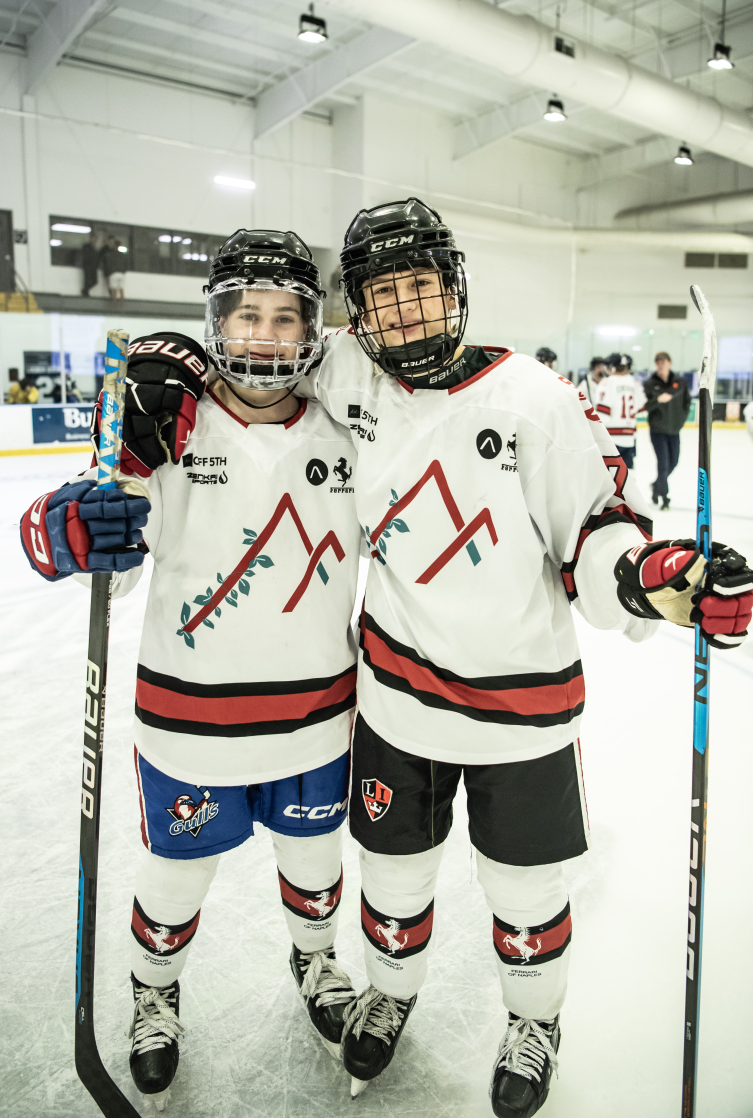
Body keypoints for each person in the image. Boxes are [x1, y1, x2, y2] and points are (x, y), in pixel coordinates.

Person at [294, 198, 753, 1115]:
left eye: (421, 286)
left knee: (526, 889)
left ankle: (533, 1020)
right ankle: (389, 990)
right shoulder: (343, 372)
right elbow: (249, 357)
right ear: (358, 310)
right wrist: (168, 365)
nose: (404, 311)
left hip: (521, 713)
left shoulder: (535, 401)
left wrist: (650, 578)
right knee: (391, 876)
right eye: (382, 294)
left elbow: (596, 532)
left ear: (453, 289)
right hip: (395, 701)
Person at [19, 231, 365, 1107]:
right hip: (190, 723)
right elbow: (112, 559)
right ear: (215, 321)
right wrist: (76, 528)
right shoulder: (164, 420)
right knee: (175, 879)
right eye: (246, 314)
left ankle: (317, 961)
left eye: (286, 317)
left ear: (313, 327)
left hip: (319, 718)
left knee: (316, 865)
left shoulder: (348, 427)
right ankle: (154, 991)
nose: (265, 335)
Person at [643, 351, 691, 510]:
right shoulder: (650, 384)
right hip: (658, 430)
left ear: (670, 363)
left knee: (673, 462)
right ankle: (664, 497)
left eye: (663, 362)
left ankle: (657, 485)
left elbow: (687, 403)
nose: (661, 365)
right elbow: (646, 406)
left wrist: (680, 421)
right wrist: (658, 399)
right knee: (663, 463)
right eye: (658, 362)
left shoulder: (680, 382)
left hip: (674, 430)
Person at [594, 353, 647, 470]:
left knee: (609, 476)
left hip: (611, 440)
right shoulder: (635, 383)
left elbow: (603, 416)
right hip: (630, 438)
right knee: (627, 476)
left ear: (611, 367)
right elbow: (642, 406)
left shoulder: (607, 383)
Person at [100, 236, 128, 300]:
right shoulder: (122, 255)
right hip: (121, 273)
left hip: (113, 273)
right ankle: (122, 301)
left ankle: (114, 301)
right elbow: (126, 264)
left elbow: (107, 264)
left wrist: (108, 273)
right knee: (121, 288)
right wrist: (123, 271)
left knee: (114, 289)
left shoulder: (109, 255)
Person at [81, 231, 100, 297]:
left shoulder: (95, 247)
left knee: (94, 281)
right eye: (93, 238)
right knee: (87, 279)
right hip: (87, 265)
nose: (94, 240)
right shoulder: (86, 246)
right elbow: (86, 255)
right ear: (91, 238)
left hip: (94, 266)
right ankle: (86, 292)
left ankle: (85, 290)